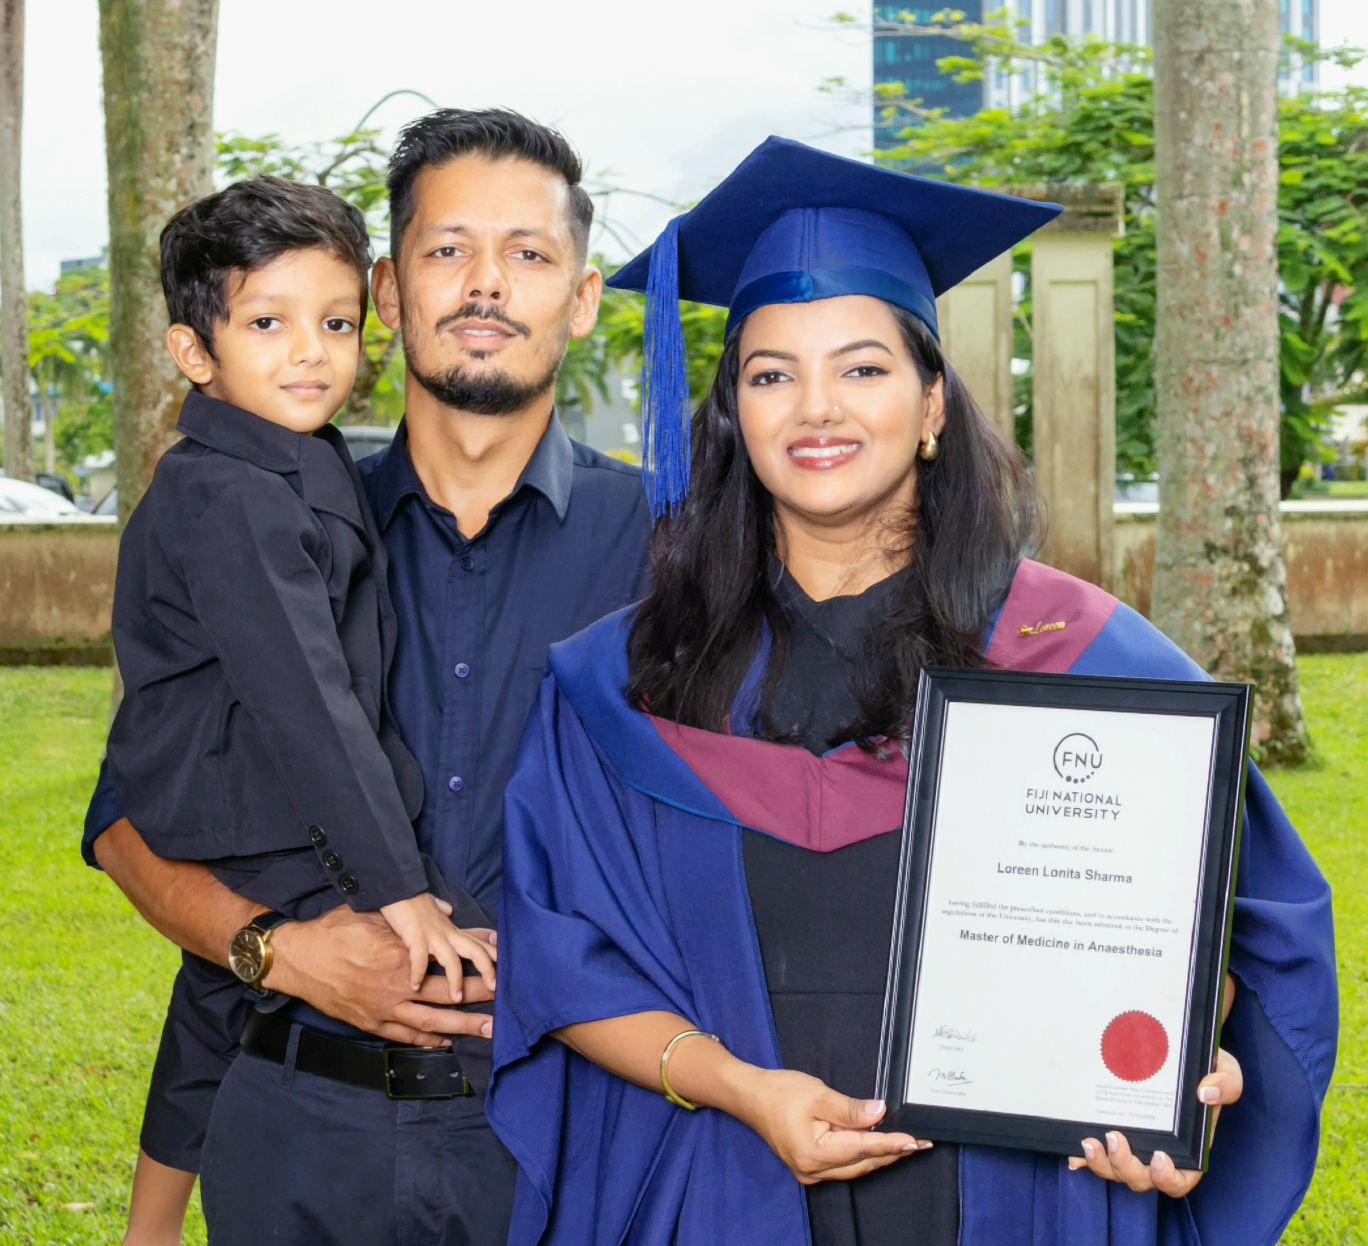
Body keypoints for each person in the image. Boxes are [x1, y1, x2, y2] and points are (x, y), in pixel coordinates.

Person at [488, 137, 1338, 1246]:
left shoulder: (1091, 661)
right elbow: (558, 952)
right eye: (771, 373)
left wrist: (1176, 1062)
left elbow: (1240, 934)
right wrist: (742, 1088)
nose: (817, 408)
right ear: (734, 418)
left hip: (1018, 1198)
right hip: (724, 1186)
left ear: (933, 403)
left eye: (864, 367)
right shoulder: (621, 685)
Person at [83, 109, 651, 1246]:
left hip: (558, 1133)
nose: (485, 284)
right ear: (390, 293)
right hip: (294, 1118)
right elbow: (129, 820)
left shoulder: (665, 542)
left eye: (530, 253)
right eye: (448, 250)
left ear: (581, 297)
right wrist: (277, 949)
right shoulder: (273, 518)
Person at [105, 174, 498, 1244]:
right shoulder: (230, 494)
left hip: (246, 793)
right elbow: (307, 698)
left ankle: (145, 1230)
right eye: (268, 324)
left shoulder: (299, 462)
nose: (312, 353)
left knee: (211, 1005)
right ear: (197, 351)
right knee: (464, 962)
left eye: (334, 322)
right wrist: (401, 887)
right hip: (248, 795)